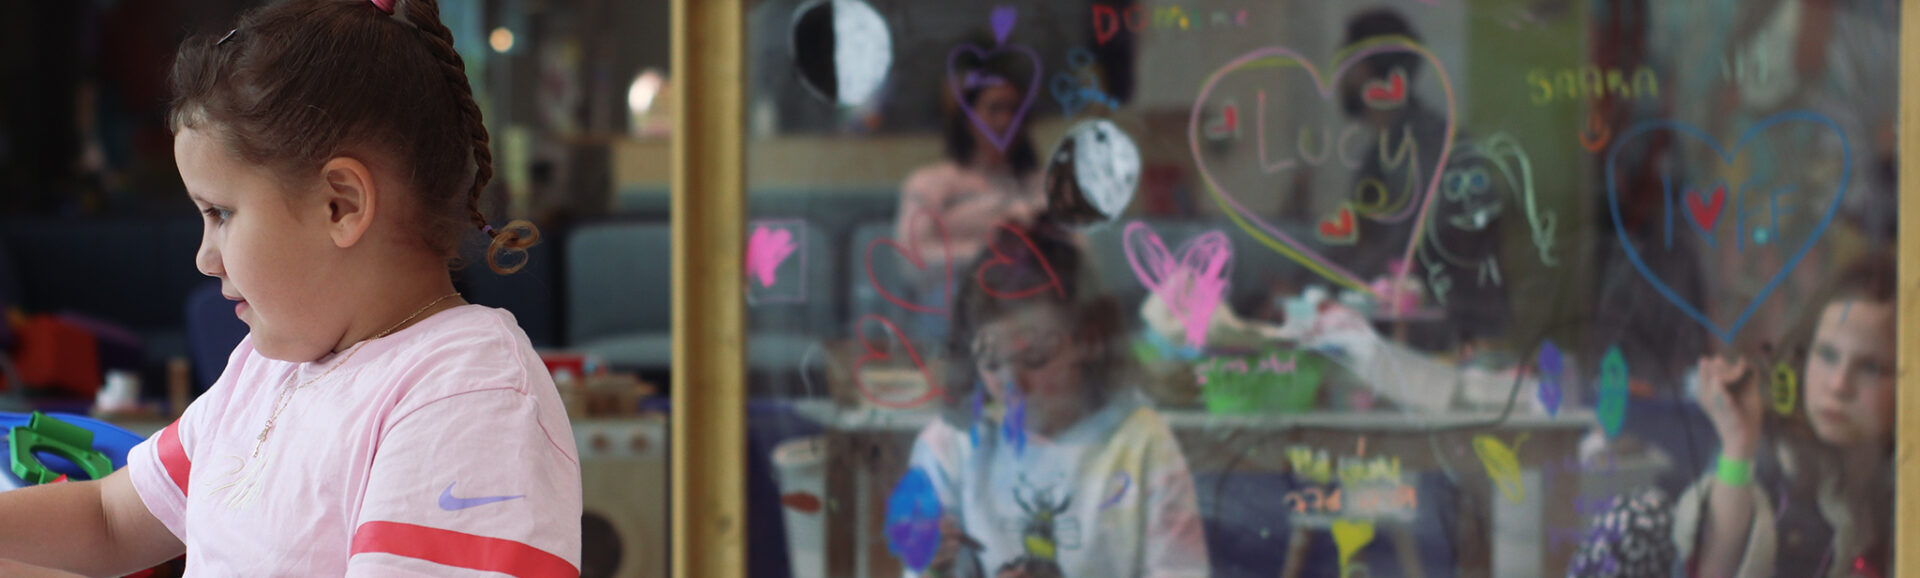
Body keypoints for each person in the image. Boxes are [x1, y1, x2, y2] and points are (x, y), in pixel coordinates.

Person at [0, 0, 581, 575]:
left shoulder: (469, 394)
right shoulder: (260, 370)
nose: (204, 258)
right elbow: (108, 520)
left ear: (341, 204)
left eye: (221, 213)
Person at [887, 223, 1208, 578]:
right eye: (992, 363)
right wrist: (931, 563)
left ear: (1090, 341)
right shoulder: (952, 442)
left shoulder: (1139, 441)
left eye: (1037, 359)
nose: (1014, 386)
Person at [1568, 252, 1894, 578]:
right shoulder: (1774, 449)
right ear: (1803, 355)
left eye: (1870, 368)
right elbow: (1713, 570)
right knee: (1634, 520)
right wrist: (1738, 448)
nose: (1839, 385)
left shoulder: (1892, 478)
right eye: (1827, 355)